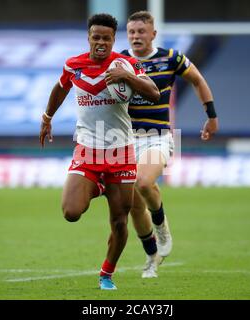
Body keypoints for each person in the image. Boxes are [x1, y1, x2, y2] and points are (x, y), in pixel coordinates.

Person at [39, 13, 159, 290]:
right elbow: (60, 88)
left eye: (107, 38)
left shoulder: (126, 64)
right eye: (96, 37)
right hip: (88, 150)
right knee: (71, 211)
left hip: (121, 152)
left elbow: (153, 92)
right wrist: (47, 118)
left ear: (114, 39)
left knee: (119, 221)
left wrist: (126, 76)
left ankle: (106, 274)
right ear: (89, 37)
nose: (101, 42)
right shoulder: (74, 65)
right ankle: (99, 185)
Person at [120, 11, 219, 278]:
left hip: (158, 136)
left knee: (143, 182)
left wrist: (211, 116)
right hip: (125, 140)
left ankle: (162, 227)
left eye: (141, 32)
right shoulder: (120, 61)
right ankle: (152, 254)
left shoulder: (171, 57)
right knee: (131, 206)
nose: (136, 36)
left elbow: (197, 80)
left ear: (153, 34)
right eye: (131, 32)